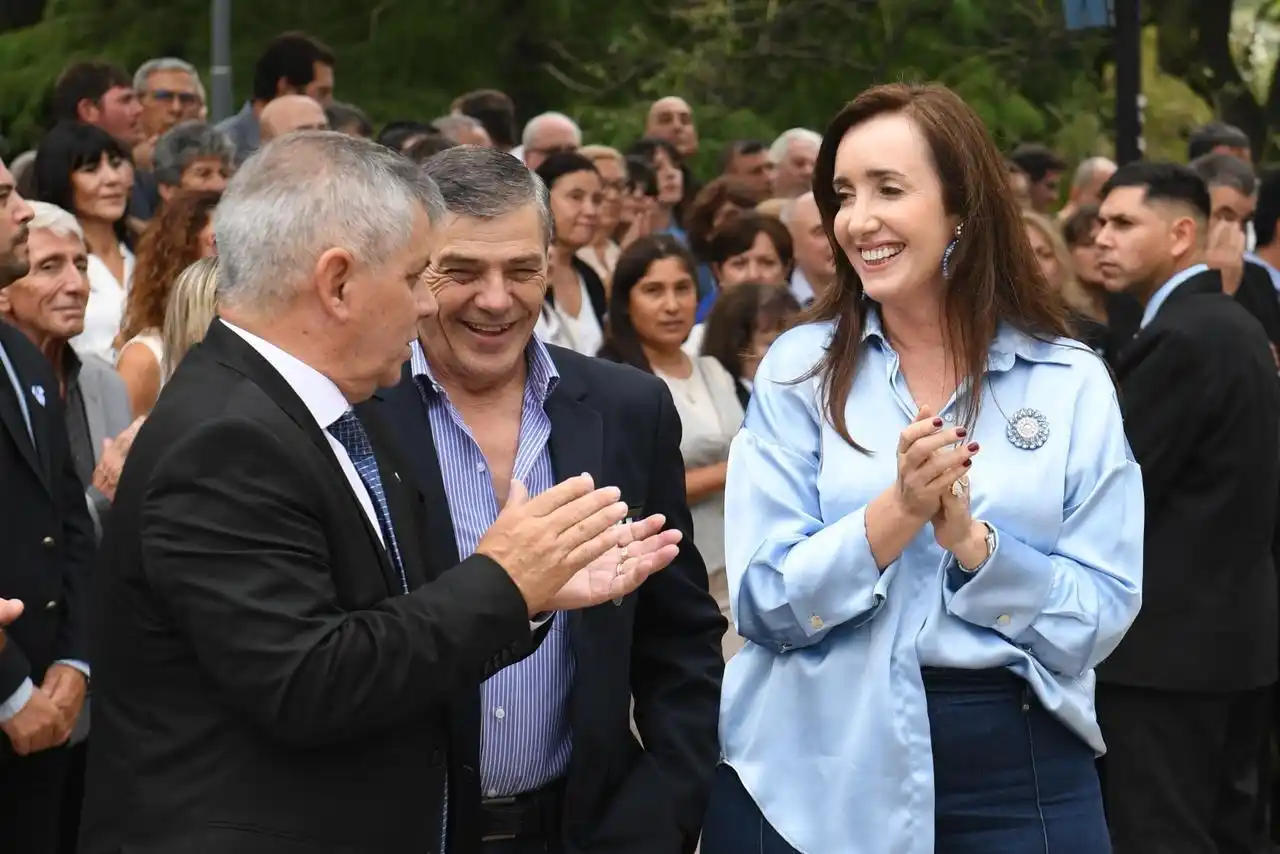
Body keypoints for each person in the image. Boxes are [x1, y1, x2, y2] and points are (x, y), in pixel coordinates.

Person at [76, 132, 680, 854]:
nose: (427, 308)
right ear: (336, 284)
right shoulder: (229, 439)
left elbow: (383, 636)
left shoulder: (296, 414)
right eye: (416, 277)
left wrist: (532, 593)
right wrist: (507, 582)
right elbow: (312, 682)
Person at [700, 83, 1143, 854]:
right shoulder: (797, 369)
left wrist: (978, 549)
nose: (857, 219)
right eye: (843, 193)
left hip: (1020, 768)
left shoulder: (1069, 379)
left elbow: (1099, 614)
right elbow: (764, 605)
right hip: (812, 769)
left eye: (888, 189)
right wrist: (894, 514)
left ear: (961, 207)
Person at [371, 146, 726, 853]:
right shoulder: (359, 412)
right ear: (413, 271)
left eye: (522, 270)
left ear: (553, 262)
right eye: (462, 271)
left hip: (589, 829)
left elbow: (679, 638)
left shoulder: (628, 409)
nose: (497, 299)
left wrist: (668, 807)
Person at [1093, 162, 1280, 854]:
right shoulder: (1227, 325)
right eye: (1098, 224)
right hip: (1233, 646)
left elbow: (1114, 494)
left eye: (1122, 223)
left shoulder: (1183, 337)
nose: (1101, 240)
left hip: (1166, 660)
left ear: (1180, 234)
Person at [0, 158, 97, 854]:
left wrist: (74, 666)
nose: (23, 211)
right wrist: (10, 691)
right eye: (4, 198)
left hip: (47, 723)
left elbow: (68, 527)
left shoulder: (27, 360)